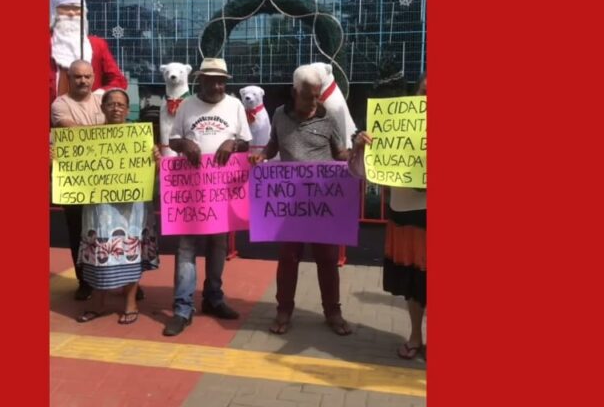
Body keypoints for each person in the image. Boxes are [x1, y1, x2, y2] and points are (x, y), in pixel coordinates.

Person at [249, 64, 354, 336]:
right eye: (309, 96)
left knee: (328, 259)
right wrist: (263, 156)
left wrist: (355, 155)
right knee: (288, 258)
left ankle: (333, 312)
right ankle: (283, 311)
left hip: (321, 204)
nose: (314, 101)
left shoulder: (329, 117)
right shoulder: (279, 115)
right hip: (290, 206)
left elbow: (339, 152)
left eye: (317, 95)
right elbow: (273, 144)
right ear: (295, 92)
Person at [164, 58, 252, 337]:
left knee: (218, 246)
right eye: (212, 79)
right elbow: (173, 140)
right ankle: (182, 308)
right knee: (186, 248)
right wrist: (186, 143)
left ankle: (213, 298)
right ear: (200, 79)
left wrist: (233, 142)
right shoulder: (187, 105)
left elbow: (246, 142)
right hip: (191, 191)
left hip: (220, 191)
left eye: (222, 80)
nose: (217, 84)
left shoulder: (235, 105)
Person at [350, 76, 427, 359]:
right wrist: (362, 146)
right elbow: (361, 173)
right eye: (424, 92)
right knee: (413, 284)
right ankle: (416, 336)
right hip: (405, 217)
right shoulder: (394, 128)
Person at [74, 89, 160, 325]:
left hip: (131, 208)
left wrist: (156, 160)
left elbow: (152, 173)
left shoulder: (139, 136)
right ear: (102, 108)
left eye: (121, 104)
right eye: (110, 104)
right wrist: (57, 158)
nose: (116, 108)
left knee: (131, 248)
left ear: (128, 108)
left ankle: (130, 301)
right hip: (99, 207)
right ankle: (97, 301)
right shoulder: (88, 137)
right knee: (98, 250)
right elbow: (74, 169)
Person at [51, 60, 104, 301]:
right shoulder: (60, 104)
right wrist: (105, 133)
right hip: (74, 180)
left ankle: (119, 279)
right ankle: (84, 281)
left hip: (104, 178)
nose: (82, 81)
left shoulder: (102, 99)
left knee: (109, 231)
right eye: (77, 77)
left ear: (93, 78)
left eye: (87, 77)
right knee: (78, 232)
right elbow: (72, 132)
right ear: (69, 79)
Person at [49, 0, 128, 103]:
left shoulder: (97, 45)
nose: (71, 13)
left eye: (76, 9)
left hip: (88, 115)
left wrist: (100, 94)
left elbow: (118, 80)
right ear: (54, 12)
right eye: (65, 8)